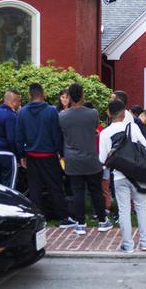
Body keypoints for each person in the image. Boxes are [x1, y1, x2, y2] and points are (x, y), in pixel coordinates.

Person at [16, 83, 76, 228]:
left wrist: (22, 155)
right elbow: (57, 135)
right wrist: (61, 153)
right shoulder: (51, 111)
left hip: (31, 155)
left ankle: (38, 219)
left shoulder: (22, 112)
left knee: (34, 188)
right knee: (55, 186)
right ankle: (63, 217)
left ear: (30, 95)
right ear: (43, 94)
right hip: (49, 155)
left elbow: (18, 137)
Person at [59, 83, 113, 235]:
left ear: (69, 97)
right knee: (96, 190)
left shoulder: (62, 116)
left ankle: (80, 223)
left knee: (77, 192)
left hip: (72, 159)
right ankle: (102, 221)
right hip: (90, 158)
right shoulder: (92, 113)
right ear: (82, 95)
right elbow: (95, 130)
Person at [99, 100, 146, 253]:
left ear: (109, 114)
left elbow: (102, 159)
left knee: (124, 210)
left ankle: (128, 245)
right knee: (142, 208)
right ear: (124, 113)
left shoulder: (104, 133)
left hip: (119, 175)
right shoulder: (133, 127)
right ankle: (144, 243)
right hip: (138, 174)